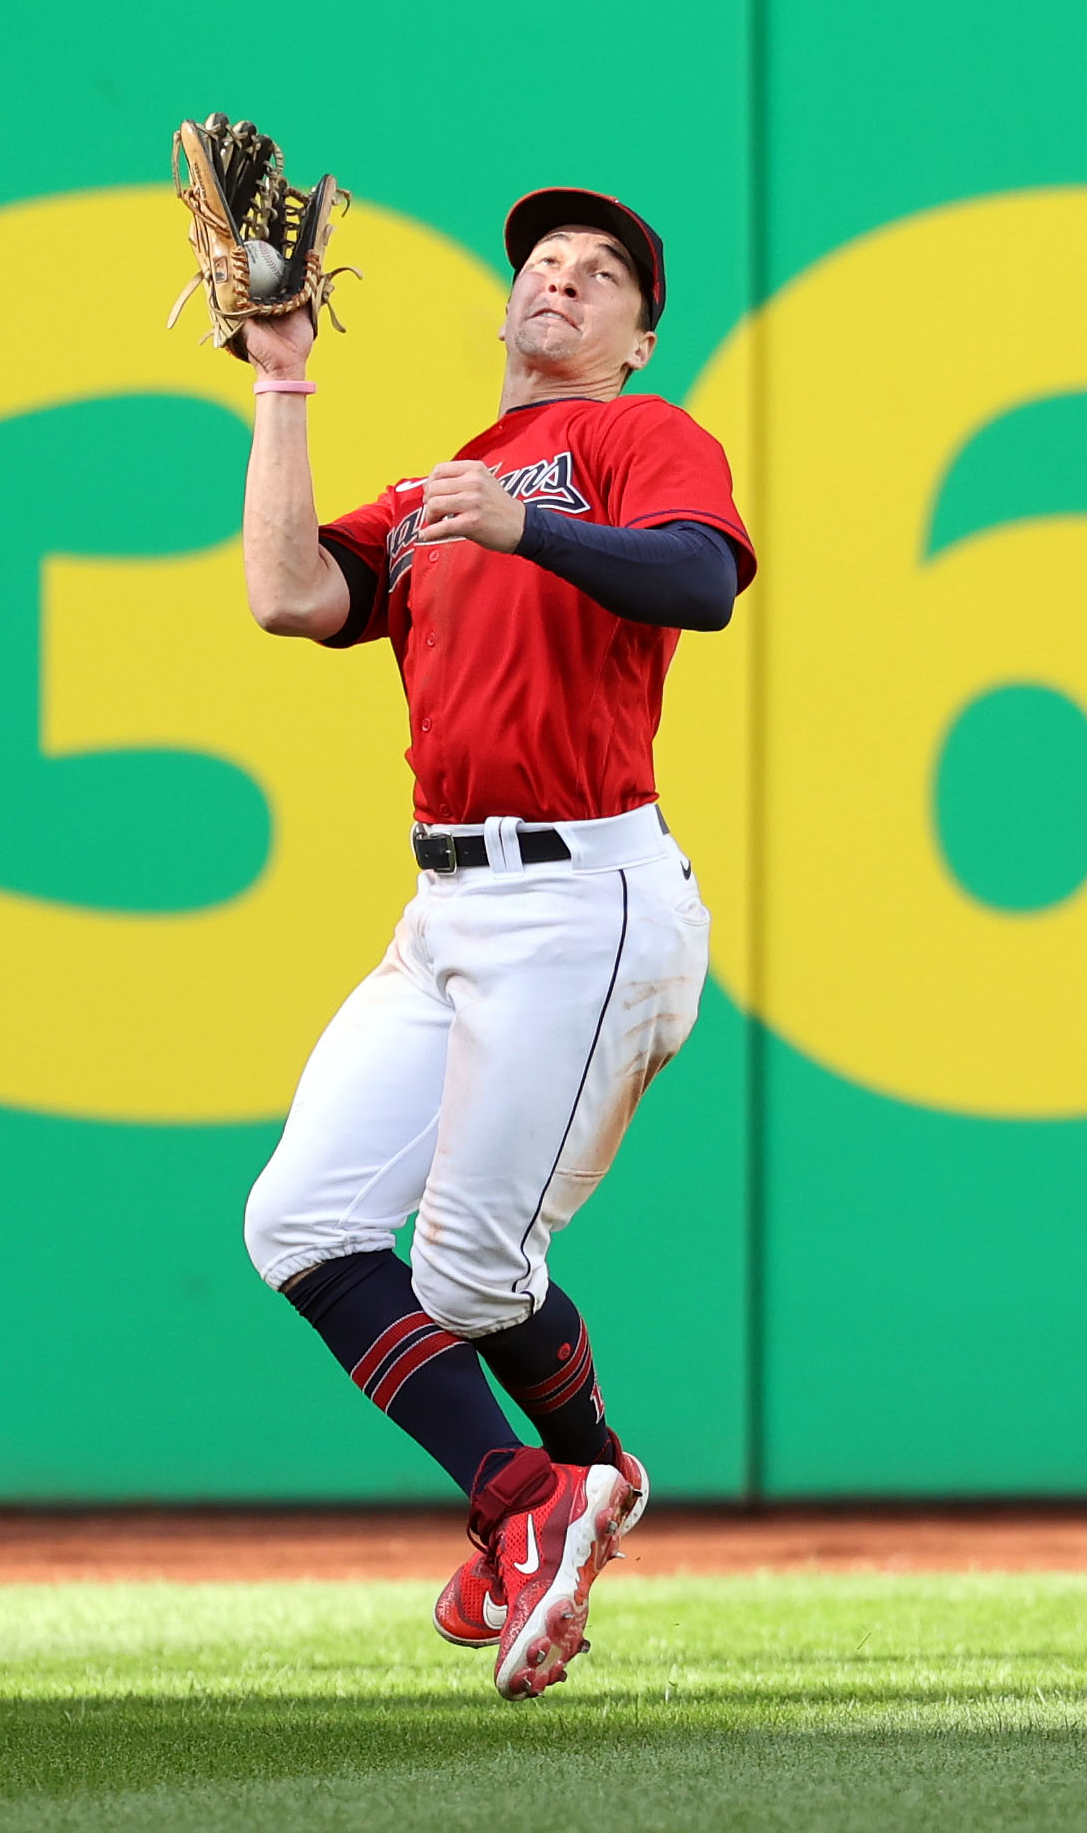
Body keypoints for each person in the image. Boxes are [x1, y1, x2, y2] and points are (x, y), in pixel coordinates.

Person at [235, 188, 754, 1700]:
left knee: (466, 1268)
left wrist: (531, 521)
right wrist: (281, 376)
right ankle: (540, 1496)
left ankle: (573, 1480)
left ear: (634, 336)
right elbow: (286, 593)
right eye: (544, 264)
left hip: (585, 898)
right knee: (299, 1221)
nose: (564, 283)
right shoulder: (436, 487)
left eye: (600, 277)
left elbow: (704, 581)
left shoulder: (635, 441)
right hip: (446, 911)